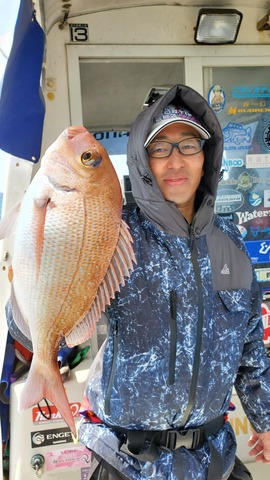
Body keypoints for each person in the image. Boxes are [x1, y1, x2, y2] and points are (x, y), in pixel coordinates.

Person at [78, 84, 270, 479]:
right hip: (127, 462)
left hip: (215, 461)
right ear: (143, 160)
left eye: (188, 145)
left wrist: (266, 421)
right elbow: (52, 313)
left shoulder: (230, 242)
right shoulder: (114, 235)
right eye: (160, 148)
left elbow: (249, 345)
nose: (175, 161)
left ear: (206, 157)